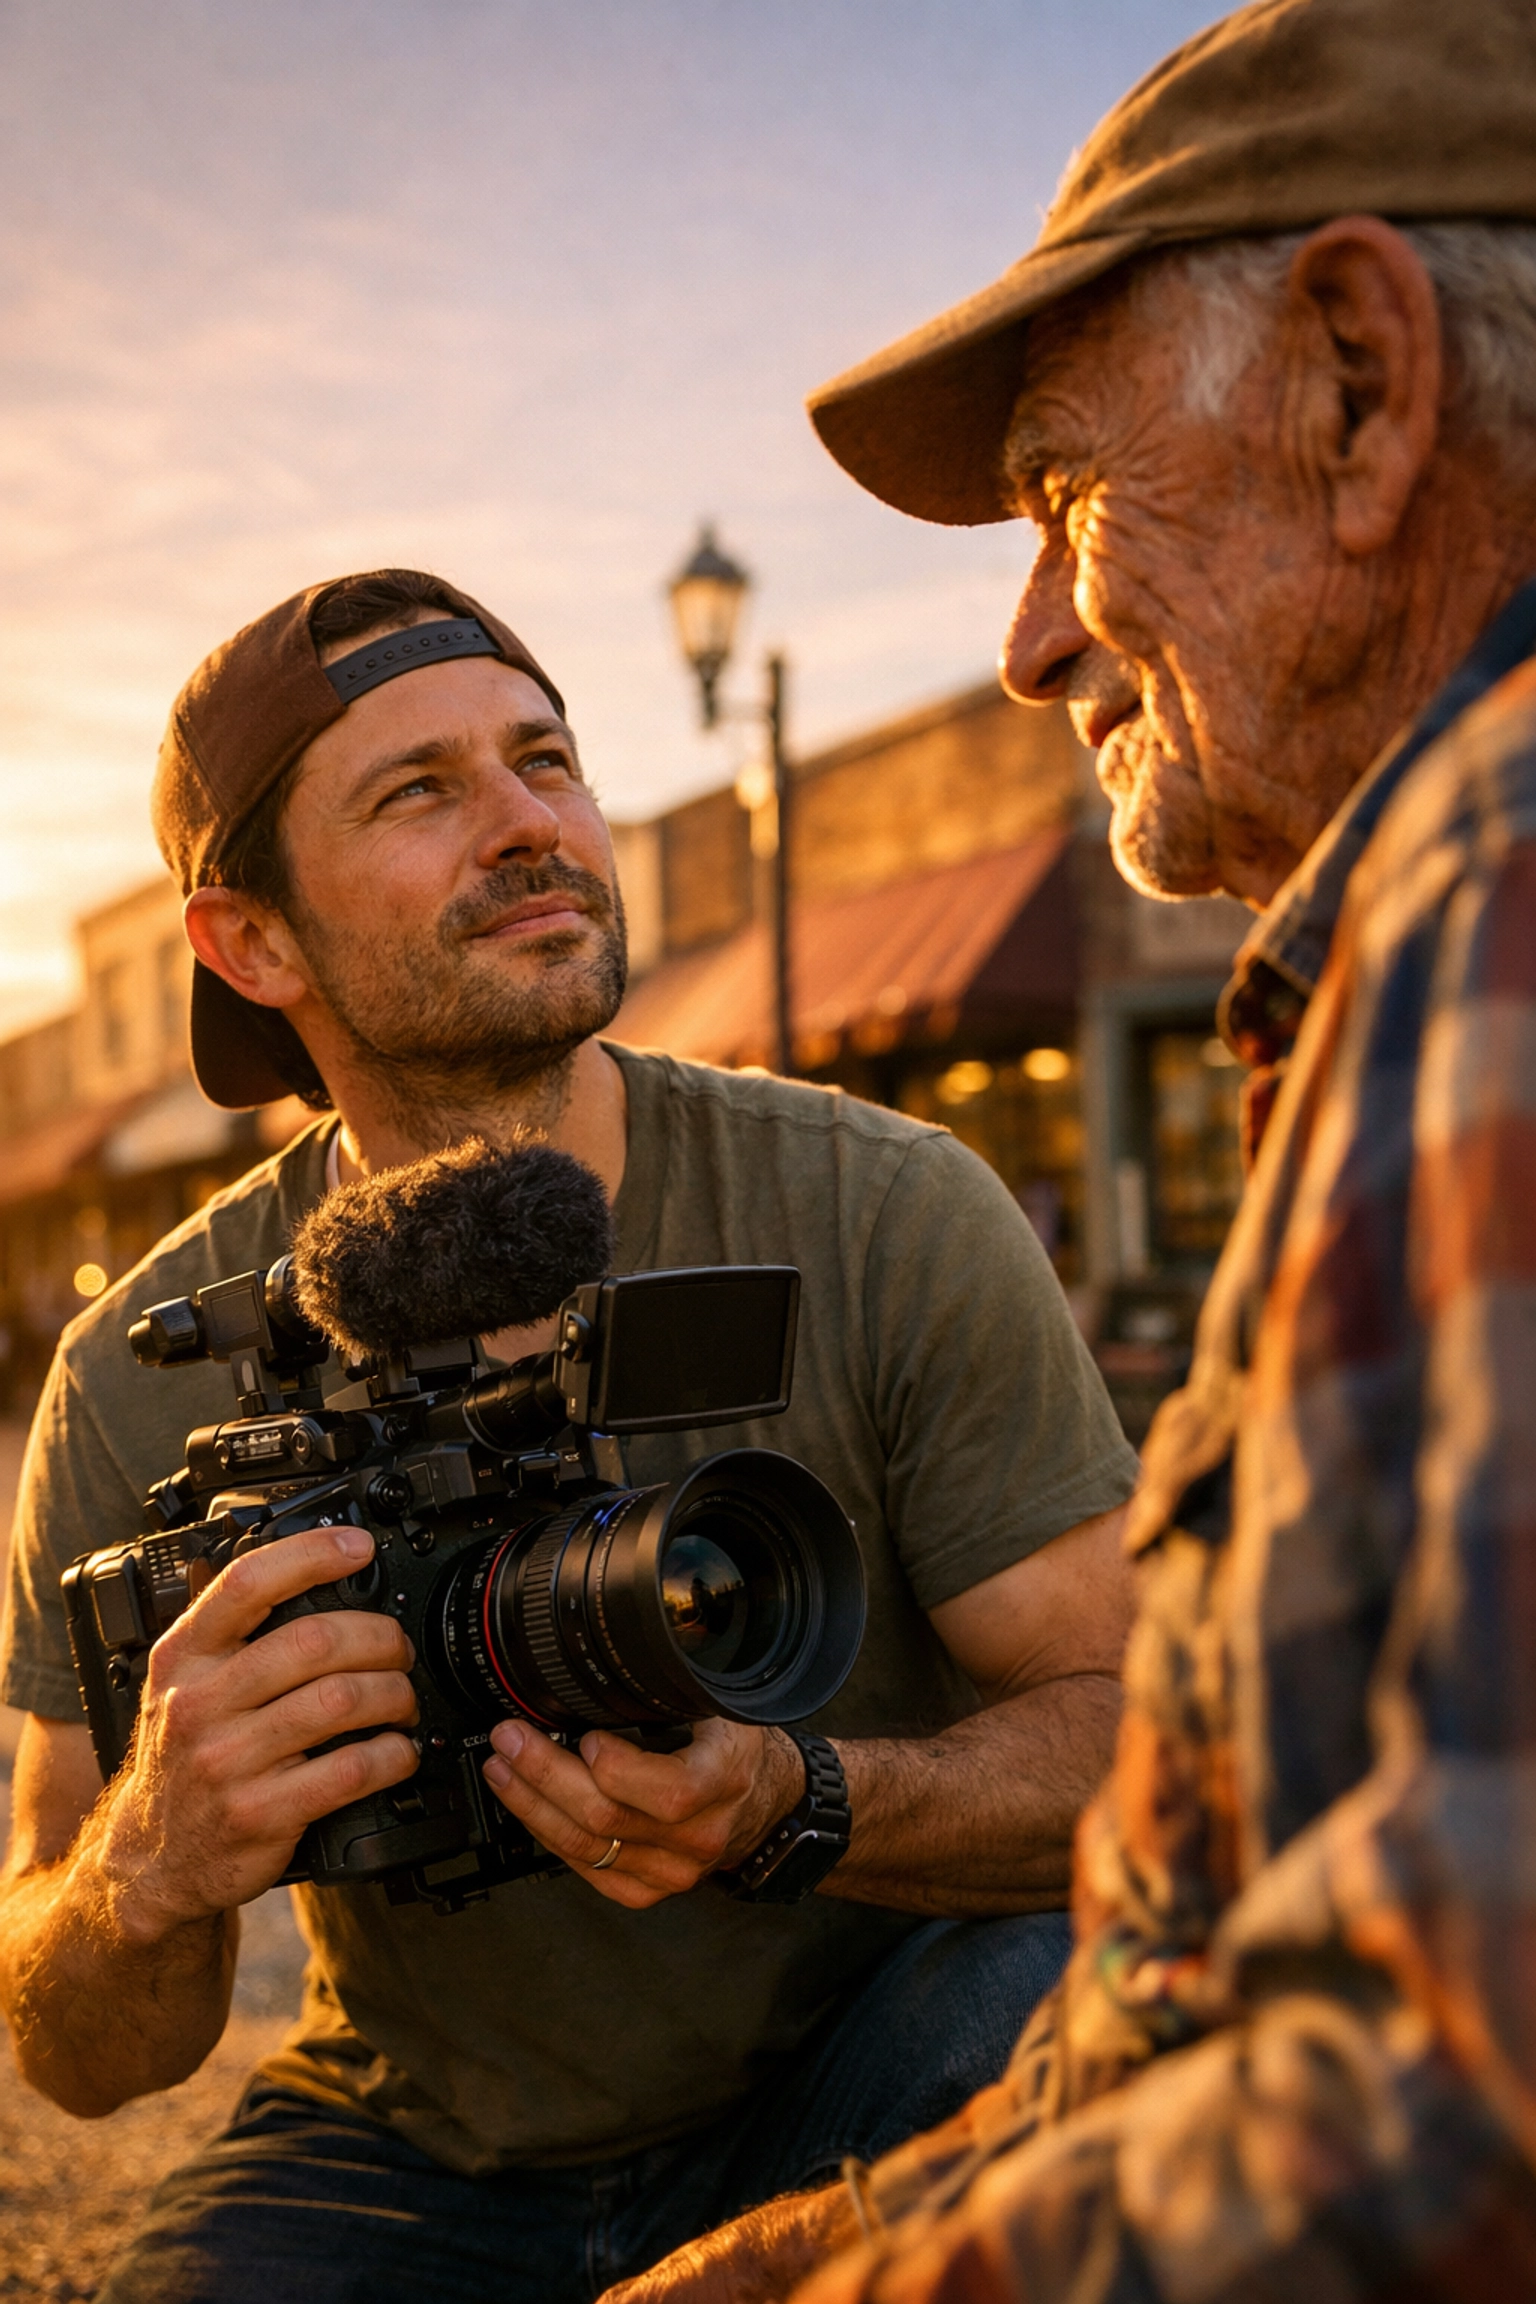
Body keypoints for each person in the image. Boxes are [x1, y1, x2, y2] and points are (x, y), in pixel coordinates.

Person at [599, 0, 1536, 2297]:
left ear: (1359, 388)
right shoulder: (1405, 940)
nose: (1028, 645)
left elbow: (1450, 2108)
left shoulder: (1497, 883)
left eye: (1060, 499)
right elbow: (1212, 2002)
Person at [0, 567, 1141, 2303]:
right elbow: (83, 2054)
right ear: (254, 943)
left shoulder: (881, 1210)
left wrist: (802, 1801)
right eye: (419, 789)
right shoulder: (144, 1370)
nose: (531, 823)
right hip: (424, 2144)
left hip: (869, 2053)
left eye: (546, 760)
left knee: (1090, 2013)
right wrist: (151, 1861)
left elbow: (1150, 1748)